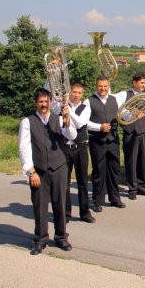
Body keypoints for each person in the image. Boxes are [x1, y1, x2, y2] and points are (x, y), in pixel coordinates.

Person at [18, 88, 77, 255]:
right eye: (40, 102)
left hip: (59, 167)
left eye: (46, 101)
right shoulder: (27, 122)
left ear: (51, 102)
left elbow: (71, 135)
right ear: (36, 103)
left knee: (60, 204)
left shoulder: (59, 119)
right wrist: (31, 172)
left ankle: (61, 237)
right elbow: (24, 148)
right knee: (39, 206)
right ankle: (40, 239)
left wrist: (68, 117)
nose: (44, 105)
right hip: (39, 170)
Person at [53, 81, 95, 224]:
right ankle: (66, 213)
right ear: (69, 93)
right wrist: (64, 107)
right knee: (64, 182)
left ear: (82, 94)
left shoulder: (85, 108)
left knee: (82, 181)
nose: (76, 95)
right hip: (64, 148)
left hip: (81, 148)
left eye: (79, 93)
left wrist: (68, 111)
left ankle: (85, 212)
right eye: (74, 92)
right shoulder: (60, 106)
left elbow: (79, 123)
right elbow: (50, 95)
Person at [85, 75, 126, 211]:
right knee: (98, 171)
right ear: (96, 86)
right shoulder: (88, 101)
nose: (103, 88)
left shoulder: (115, 99)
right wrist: (99, 127)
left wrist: (134, 115)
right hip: (97, 141)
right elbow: (85, 122)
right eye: (100, 86)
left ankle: (115, 198)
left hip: (113, 140)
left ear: (109, 86)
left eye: (105, 86)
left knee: (114, 170)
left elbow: (123, 115)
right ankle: (97, 200)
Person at [114, 74, 145, 200]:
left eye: (144, 83)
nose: (144, 85)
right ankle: (132, 188)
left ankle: (142, 187)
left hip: (144, 132)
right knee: (131, 162)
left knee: (142, 161)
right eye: (142, 83)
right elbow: (119, 109)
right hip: (130, 133)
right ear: (134, 82)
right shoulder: (123, 94)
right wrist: (132, 113)